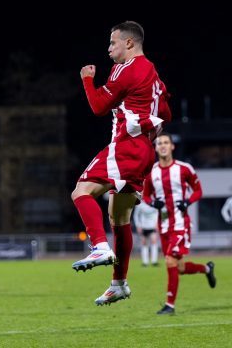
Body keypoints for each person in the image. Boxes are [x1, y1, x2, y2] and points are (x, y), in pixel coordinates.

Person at [71, 21, 172, 306]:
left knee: (81, 192)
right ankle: (119, 284)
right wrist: (152, 127)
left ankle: (99, 247)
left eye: (112, 42)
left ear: (129, 43)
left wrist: (87, 79)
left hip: (126, 146)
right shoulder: (153, 73)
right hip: (144, 152)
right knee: (119, 217)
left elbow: (98, 107)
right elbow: (165, 110)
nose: (108, 49)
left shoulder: (126, 68)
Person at [143, 132, 216, 315]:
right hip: (164, 225)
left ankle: (170, 305)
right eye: (159, 143)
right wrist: (153, 203)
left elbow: (198, 191)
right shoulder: (151, 172)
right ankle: (207, 268)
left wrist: (187, 202)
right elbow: (144, 195)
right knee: (180, 268)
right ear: (156, 148)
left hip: (180, 224)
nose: (163, 146)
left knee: (169, 260)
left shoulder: (184, 169)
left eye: (166, 142)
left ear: (172, 146)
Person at [132, 201, 159, 267]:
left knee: (154, 241)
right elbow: (136, 215)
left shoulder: (154, 202)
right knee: (144, 243)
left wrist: (157, 223)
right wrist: (138, 225)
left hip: (152, 226)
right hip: (143, 226)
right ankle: (145, 262)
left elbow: (157, 213)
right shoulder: (140, 204)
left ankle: (154, 261)